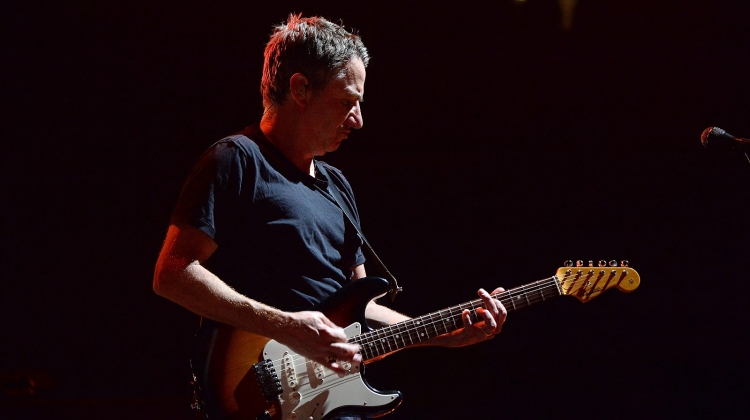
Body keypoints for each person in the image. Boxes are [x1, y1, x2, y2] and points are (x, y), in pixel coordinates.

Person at [153, 14, 507, 419]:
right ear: (300, 88)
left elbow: (360, 311)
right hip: (253, 399)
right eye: (346, 102)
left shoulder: (337, 186)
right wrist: (286, 327)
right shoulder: (236, 160)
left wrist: (444, 334)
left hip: (328, 405)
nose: (358, 120)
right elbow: (172, 275)